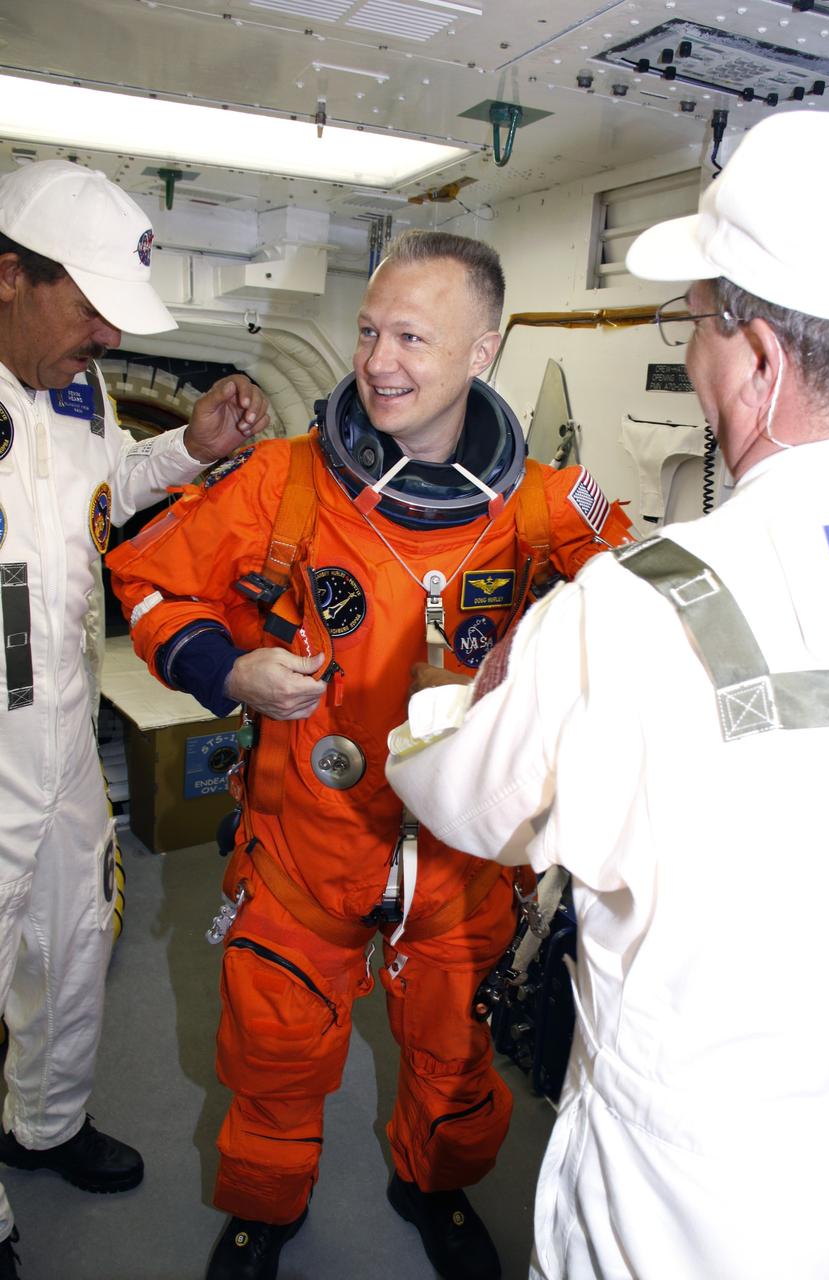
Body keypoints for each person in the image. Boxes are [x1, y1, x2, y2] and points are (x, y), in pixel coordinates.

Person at [107, 228, 632, 1280]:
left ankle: (431, 1187)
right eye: (366, 331)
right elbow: (149, 578)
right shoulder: (282, 484)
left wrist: (545, 668)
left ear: (481, 352)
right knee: (272, 1054)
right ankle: (263, 1209)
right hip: (309, 840)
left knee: (453, 1059)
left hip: (457, 861)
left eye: (410, 337)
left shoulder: (541, 505)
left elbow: (635, 609)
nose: (378, 361)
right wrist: (228, 669)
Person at [385, 110, 829, 1280]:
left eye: (695, 324)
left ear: (759, 359)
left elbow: (473, 800)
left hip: (686, 1198)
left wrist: (459, 699)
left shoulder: (633, 606)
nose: (693, 356)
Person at [0, 159, 269, 1280]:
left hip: (58, 726)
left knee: (76, 943)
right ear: (10, 275)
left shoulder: (74, 389)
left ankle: (44, 1124)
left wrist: (192, 450)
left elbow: (113, 481)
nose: (107, 333)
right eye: (90, 306)